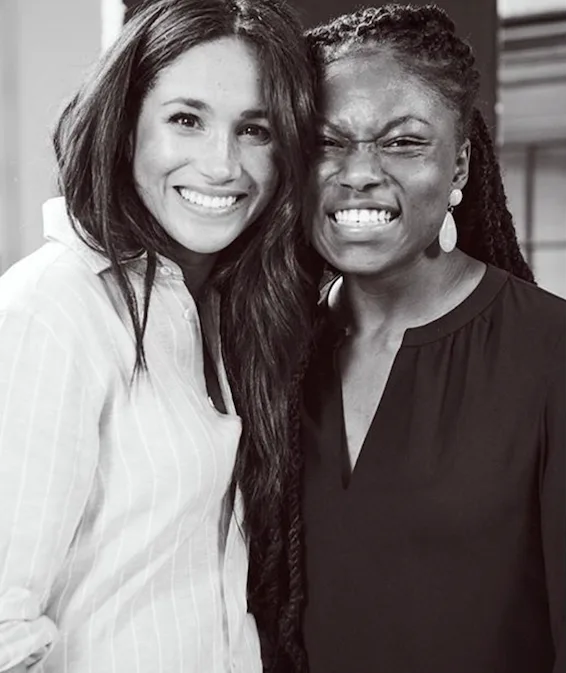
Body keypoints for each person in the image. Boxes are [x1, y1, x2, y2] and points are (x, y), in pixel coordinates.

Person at [0, 1, 318, 671]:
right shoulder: (54, 308)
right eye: (186, 119)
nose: (222, 164)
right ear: (125, 129)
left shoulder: (215, 306)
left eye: (253, 129)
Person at [286, 6, 566, 673]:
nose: (359, 172)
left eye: (403, 142)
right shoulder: (276, 353)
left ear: (460, 163)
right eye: (328, 143)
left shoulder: (553, 349)